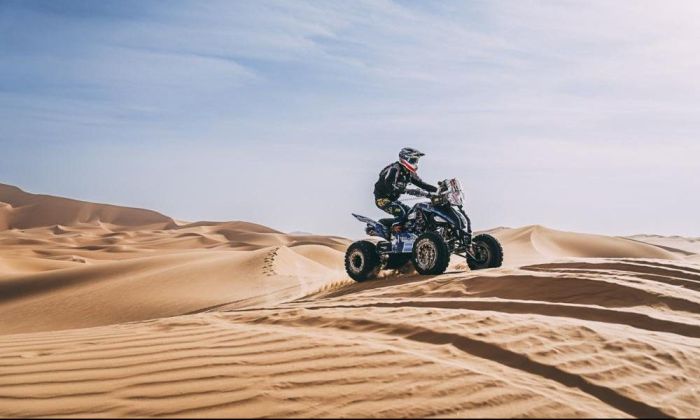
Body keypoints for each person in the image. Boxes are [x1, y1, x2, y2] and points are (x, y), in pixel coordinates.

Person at [373, 147, 438, 227]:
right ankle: (396, 234)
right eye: (413, 160)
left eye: (416, 161)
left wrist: (438, 190)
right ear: (405, 159)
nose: (415, 163)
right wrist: (408, 191)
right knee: (401, 213)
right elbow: (390, 185)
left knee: (412, 214)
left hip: (393, 200)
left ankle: (384, 223)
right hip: (381, 199)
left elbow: (422, 184)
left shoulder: (409, 173)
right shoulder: (395, 169)